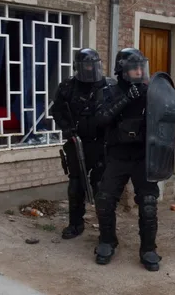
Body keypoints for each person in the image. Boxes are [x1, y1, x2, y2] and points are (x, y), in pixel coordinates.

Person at [93, 48, 162, 271]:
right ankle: (107, 241)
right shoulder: (109, 91)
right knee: (104, 200)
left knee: (149, 204)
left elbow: (165, 119)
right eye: (134, 67)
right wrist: (125, 99)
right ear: (123, 70)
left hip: (143, 156)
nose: (139, 71)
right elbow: (101, 119)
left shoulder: (150, 91)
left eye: (141, 67)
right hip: (118, 155)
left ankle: (148, 249)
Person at [51, 48, 108, 240]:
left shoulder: (107, 86)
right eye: (87, 65)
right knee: (75, 186)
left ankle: (106, 228)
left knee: (101, 186)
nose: (91, 69)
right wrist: (66, 129)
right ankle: (75, 224)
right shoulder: (68, 86)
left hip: (100, 144)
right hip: (77, 143)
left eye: (94, 64)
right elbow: (56, 111)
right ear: (79, 67)